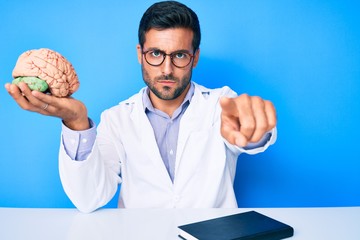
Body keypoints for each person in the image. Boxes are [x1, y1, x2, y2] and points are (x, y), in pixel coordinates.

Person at [5, 1, 277, 213]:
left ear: (195, 58)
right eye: (156, 54)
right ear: (140, 54)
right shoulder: (117, 118)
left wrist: (255, 132)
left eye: (180, 55)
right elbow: (89, 198)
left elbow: (249, 130)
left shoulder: (221, 103)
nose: (167, 69)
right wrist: (77, 122)